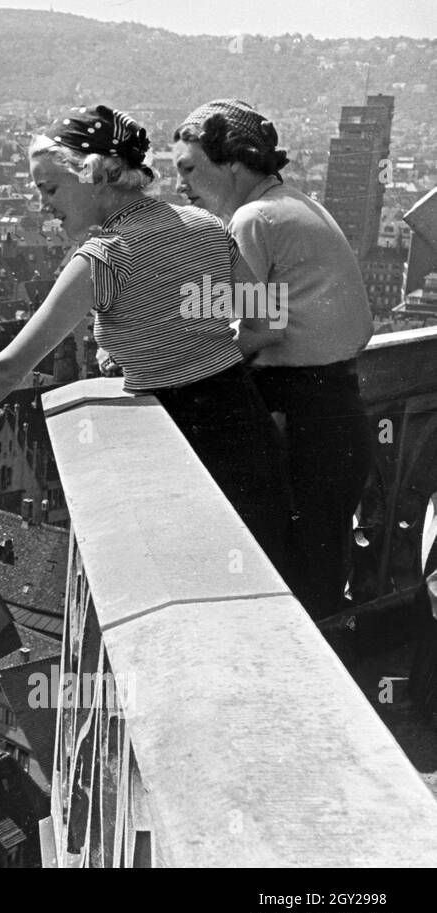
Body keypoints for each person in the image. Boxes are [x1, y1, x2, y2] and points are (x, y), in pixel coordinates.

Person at [0, 104, 291, 571]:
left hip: (173, 446)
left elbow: (8, 368)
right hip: (247, 429)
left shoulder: (103, 258)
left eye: (50, 188)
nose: (43, 205)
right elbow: (268, 322)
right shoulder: (205, 226)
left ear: (96, 175)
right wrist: (204, 357)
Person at [173, 100, 374, 620]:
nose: (181, 185)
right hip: (341, 414)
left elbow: (261, 328)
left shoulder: (251, 219)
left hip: (296, 418)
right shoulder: (293, 205)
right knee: (321, 574)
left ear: (233, 163)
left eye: (190, 168)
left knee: (284, 583)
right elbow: (260, 308)